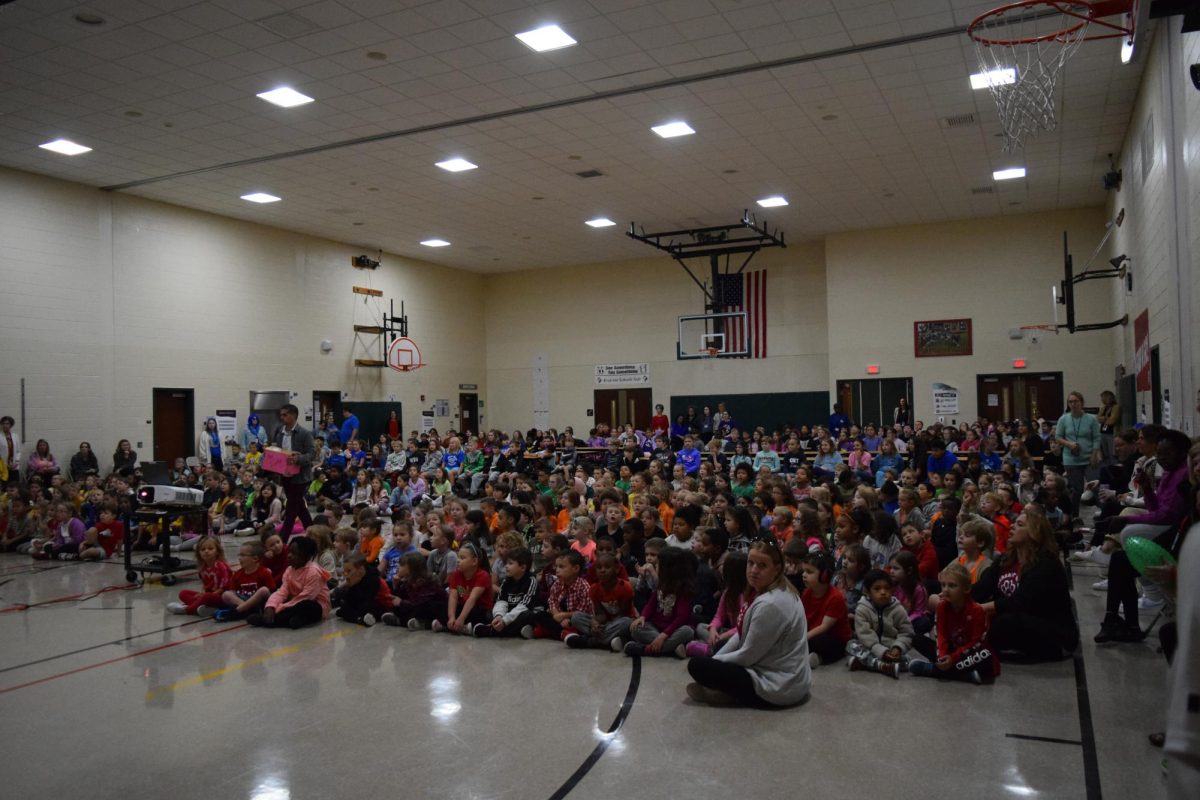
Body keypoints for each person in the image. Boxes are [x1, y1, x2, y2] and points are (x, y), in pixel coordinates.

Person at [686, 541, 811, 707]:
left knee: (697, 666)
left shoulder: (770, 604)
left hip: (779, 686)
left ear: (777, 568)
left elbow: (748, 655)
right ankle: (722, 691)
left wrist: (715, 663)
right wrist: (717, 657)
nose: (753, 570)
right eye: (751, 563)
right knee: (720, 647)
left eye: (762, 565)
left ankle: (727, 695)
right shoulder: (772, 588)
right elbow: (740, 631)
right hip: (784, 672)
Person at [973, 506, 1078, 660]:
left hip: (1053, 634)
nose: (1012, 526)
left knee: (1004, 622)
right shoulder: (1006, 559)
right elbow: (982, 588)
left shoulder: (1047, 564)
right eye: (1014, 523)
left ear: (1035, 534)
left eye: (1020, 525)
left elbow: (1020, 602)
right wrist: (953, 599)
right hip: (1018, 620)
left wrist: (976, 609)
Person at [910, 563, 998, 684]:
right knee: (917, 639)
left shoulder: (977, 610)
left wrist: (953, 658)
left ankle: (932, 670)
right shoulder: (941, 607)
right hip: (951, 652)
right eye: (943, 585)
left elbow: (977, 642)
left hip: (967, 654)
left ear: (966, 589)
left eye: (952, 585)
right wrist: (943, 656)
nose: (945, 590)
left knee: (985, 655)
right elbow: (940, 634)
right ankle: (965, 675)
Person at [624, 546, 696, 658]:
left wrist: (663, 636)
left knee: (688, 631)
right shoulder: (662, 583)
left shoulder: (684, 589)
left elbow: (681, 618)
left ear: (669, 569)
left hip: (674, 629)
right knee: (635, 628)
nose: (655, 566)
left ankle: (645, 649)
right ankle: (671, 649)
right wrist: (643, 617)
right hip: (656, 626)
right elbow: (651, 604)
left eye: (658, 565)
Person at [247, 535, 330, 629]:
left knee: (307, 606)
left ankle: (272, 620)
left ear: (306, 556)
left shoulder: (314, 572)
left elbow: (306, 597)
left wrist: (278, 609)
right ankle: (296, 620)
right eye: (289, 552)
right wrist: (270, 606)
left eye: (294, 553)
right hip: (293, 602)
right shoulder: (290, 570)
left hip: (314, 605)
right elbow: (282, 592)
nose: (289, 555)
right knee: (269, 599)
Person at [269, 404, 315, 538]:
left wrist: (298, 459)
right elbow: (277, 449)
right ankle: (313, 532)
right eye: (281, 414)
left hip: (300, 476)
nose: (281, 417)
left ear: (293, 416)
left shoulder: (304, 433)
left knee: (291, 508)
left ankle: (283, 539)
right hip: (284, 474)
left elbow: (311, 454)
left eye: (284, 414)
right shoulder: (279, 432)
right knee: (299, 505)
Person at [801, 552, 851, 668]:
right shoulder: (807, 593)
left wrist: (803, 638)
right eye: (804, 571)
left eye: (809, 572)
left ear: (824, 575)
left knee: (818, 641)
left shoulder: (835, 597)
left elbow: (825, 627)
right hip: (814, 632)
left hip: (835, 639)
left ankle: (818, 657)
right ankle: (811, 655)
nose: (803, 575)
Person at [434, 541, 494, 634]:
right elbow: (453, 597)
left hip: (479, 609)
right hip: (464, 607)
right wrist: (452, 617)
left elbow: (472, 599)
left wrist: (461, 618)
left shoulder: (483, 575)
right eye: (458, 557)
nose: (458, 560)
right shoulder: (455, 575)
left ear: (474, 561)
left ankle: (450, 626)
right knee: (440, 605)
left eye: (462, 558)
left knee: (478, 613)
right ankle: (457, 626)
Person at [1055, 391, 1101, 512]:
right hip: (1071, 459)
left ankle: (1103, 511)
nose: (1073, 404)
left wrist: (1095, 453)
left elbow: (1096, 437)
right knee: (1077, 489)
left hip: (1089, 457)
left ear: (1081, 403)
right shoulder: (1064, 419)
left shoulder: (1091, 419)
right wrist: (1069, 444)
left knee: (1096, 487)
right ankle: (1074, 514)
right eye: (1070, 402)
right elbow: (1058, 437)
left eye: (1076, 401)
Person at [167, 535, 230, 616]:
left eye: (210, 549)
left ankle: (188, 609)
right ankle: (205, 608)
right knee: (183, 593)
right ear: (199, 553)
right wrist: (202, 594)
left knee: (206, 597)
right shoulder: (203, 568)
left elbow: (225, 587)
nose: (206, 551)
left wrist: (205, 595)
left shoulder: (221, 566)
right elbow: (206, 586)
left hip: (222, 597)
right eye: (203, 549)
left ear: (217, 551)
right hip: (209, 596)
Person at [214, 541, 276, 621]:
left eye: (243, 555)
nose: (239, 558)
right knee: (226, 594)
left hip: (259, 602)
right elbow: (232, 591)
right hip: (243, 600)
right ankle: (247, 610)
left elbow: (272, 592)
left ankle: (239, 611)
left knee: (263, 590)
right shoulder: (237, 574)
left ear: (255, 558)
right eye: (239, 555)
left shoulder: (264, 572)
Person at [332, 553, 392, 627]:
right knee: (345, 604)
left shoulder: (373, 579)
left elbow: (366, 598)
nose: (345, 575)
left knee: (367, 607)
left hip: (380, 605)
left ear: (361, 570)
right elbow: (352, 597)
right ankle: (360, 619)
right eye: (344, 571)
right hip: (363, 601)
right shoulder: (356, 579)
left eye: (349, 571)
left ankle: (359, 618)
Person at [0, 416, 23, 482]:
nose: (5, 425)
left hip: (14, 466)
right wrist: (5, 464)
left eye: (7, 423)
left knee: (14, 485)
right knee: (4, 486)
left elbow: (18, 451)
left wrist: (16, 462)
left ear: (11, 425)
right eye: (3, 423)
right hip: (2, 466)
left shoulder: (15, 436)